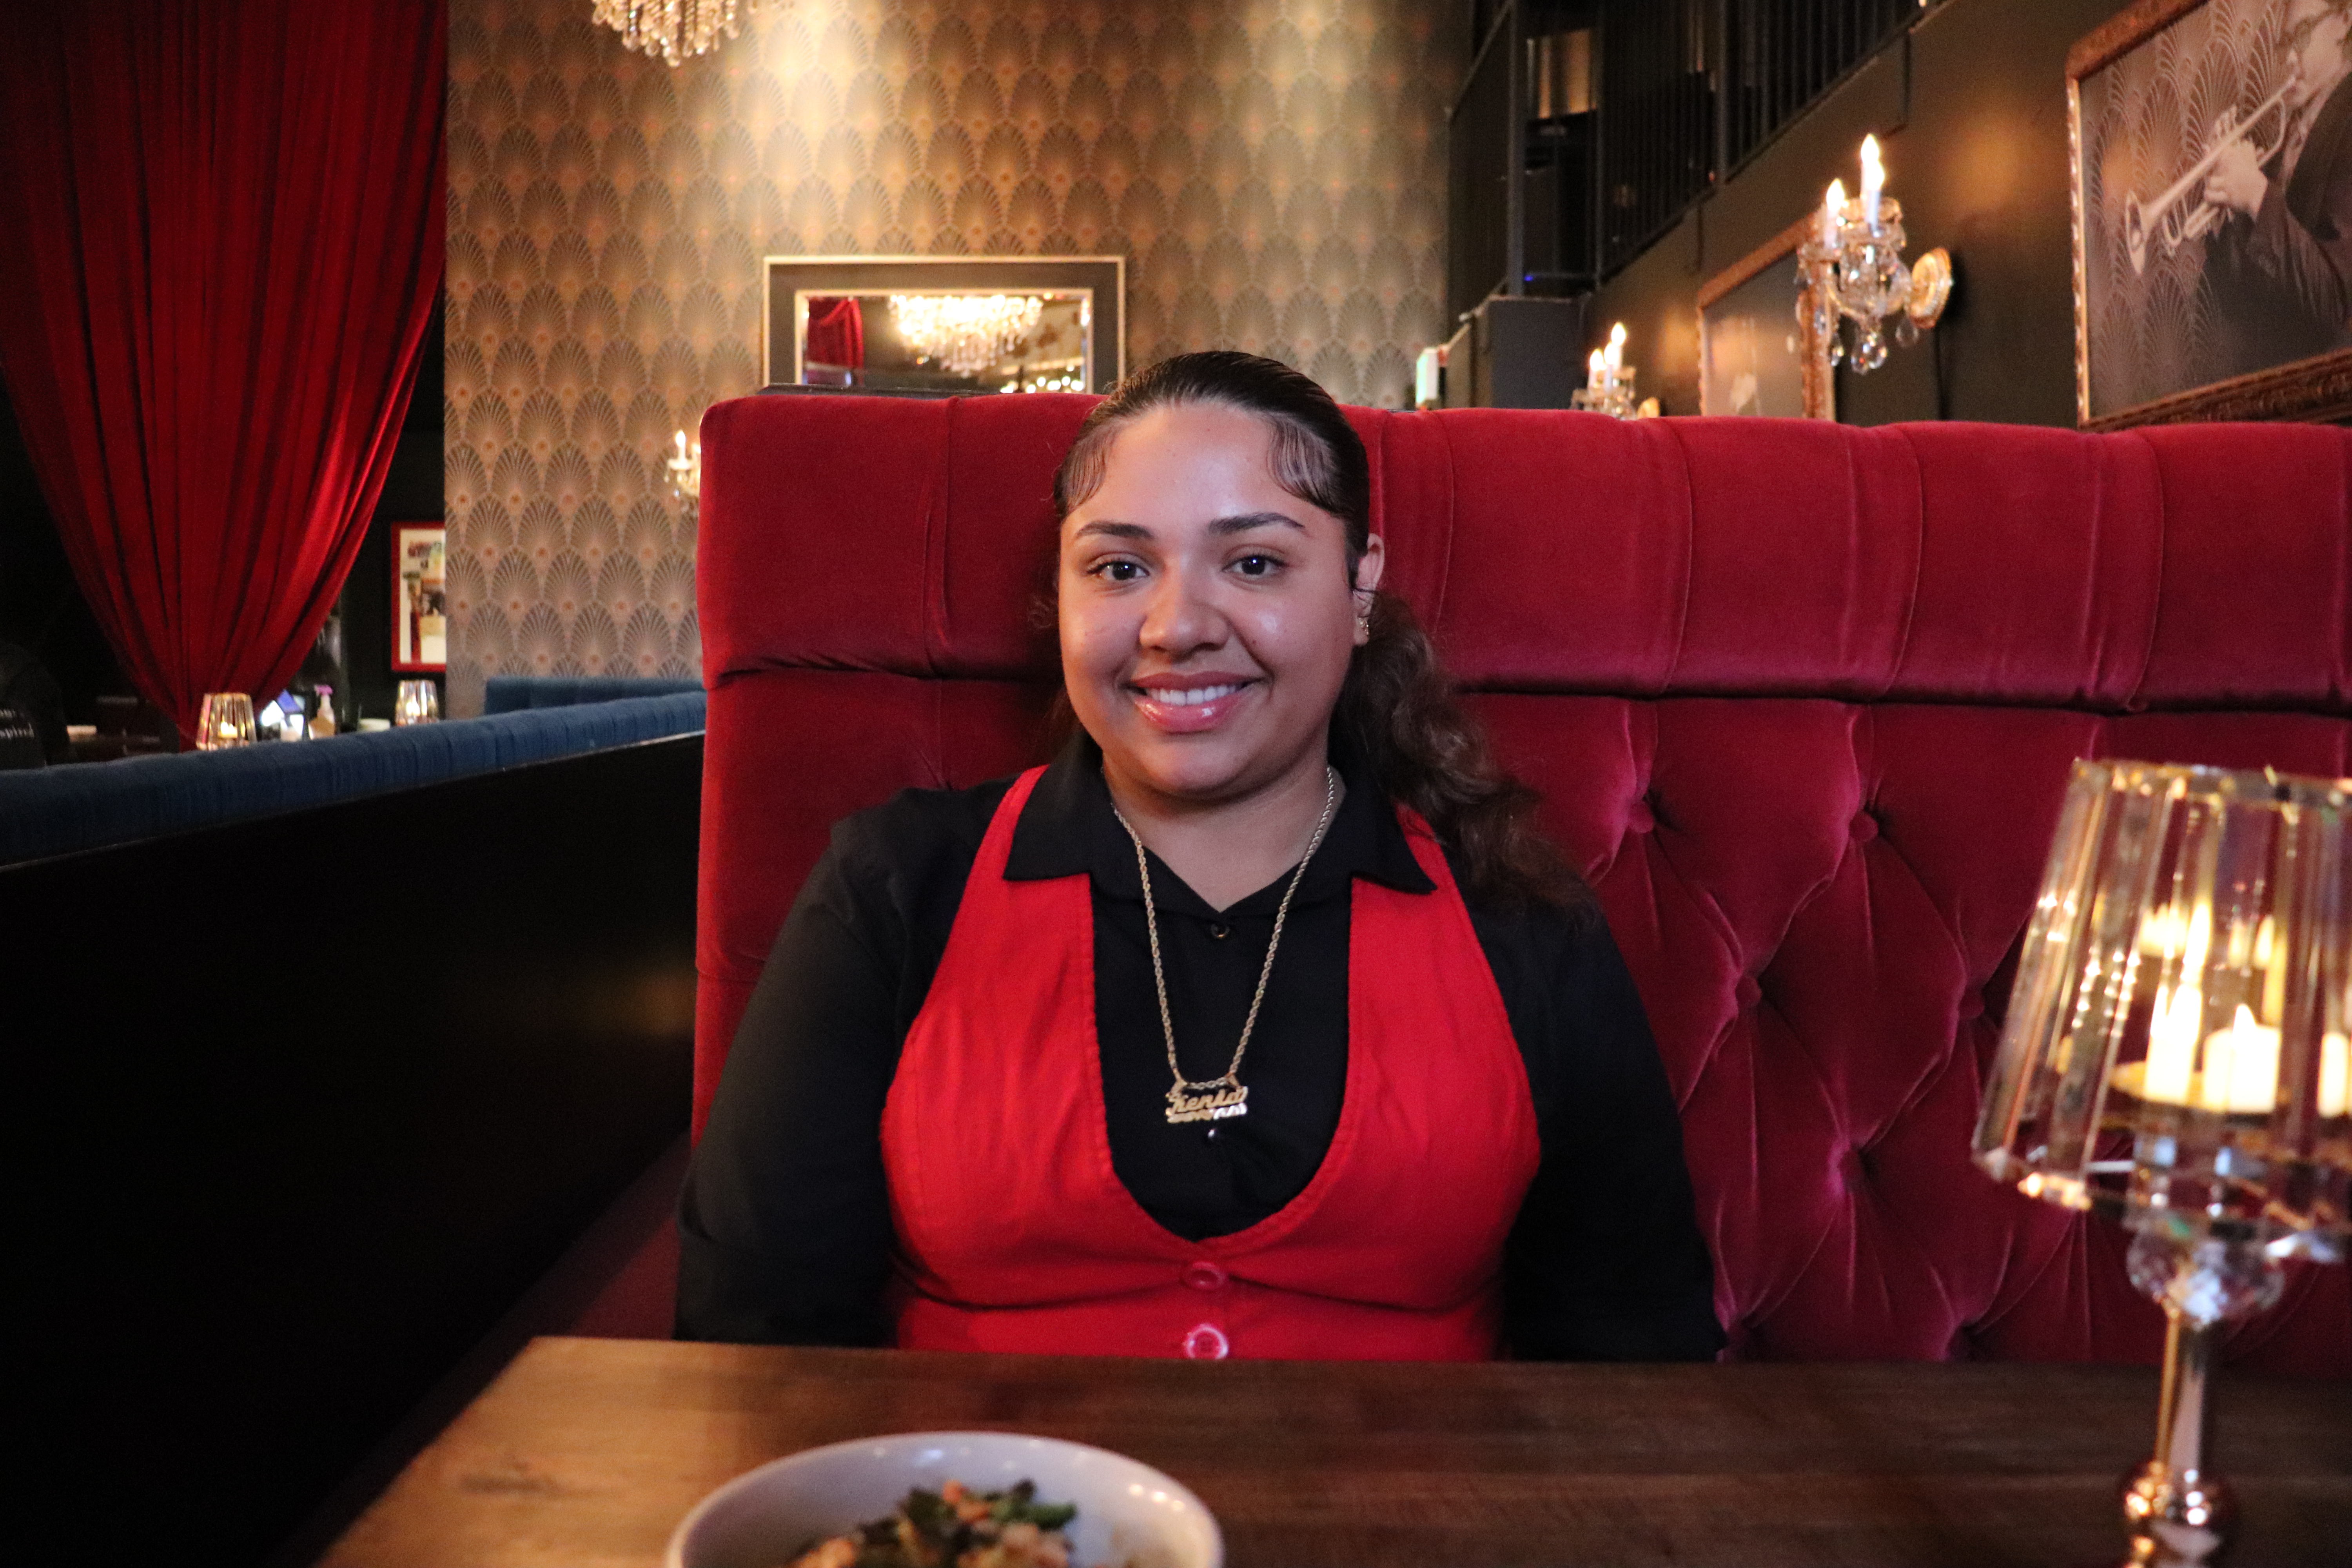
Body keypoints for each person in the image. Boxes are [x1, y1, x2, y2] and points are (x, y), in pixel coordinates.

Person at [677, 352, 1723, 1362]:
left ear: (1360, 590)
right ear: (1063, 595)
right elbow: (756, 1343)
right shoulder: (893, 890)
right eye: (1121, 568)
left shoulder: (1522, 923)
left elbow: (1633, 1354)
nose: (1176, 626)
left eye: (1256, 562)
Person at [2201, 0, 2352, 375]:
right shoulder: (2287, 141)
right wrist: (2227, 213)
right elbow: (2242, 309)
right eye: (2283, 43)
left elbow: (2338, 308)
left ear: (2345, 22)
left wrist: (2256, 195)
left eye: (2300, 35)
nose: (2287, 58)